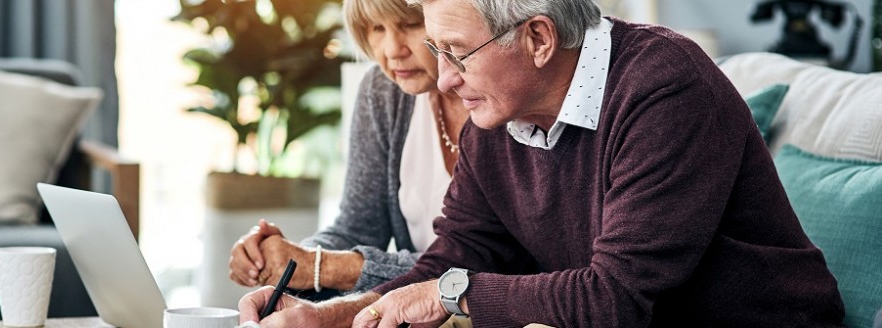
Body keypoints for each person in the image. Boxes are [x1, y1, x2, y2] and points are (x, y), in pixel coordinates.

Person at [237, 0, 846, 327]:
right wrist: (334, 318)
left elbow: (617, 299)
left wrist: (453, 296)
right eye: (437, 51)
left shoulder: (665, 87)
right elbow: (453, 259)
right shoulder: (499, 111)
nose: (444, 78)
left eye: (457, 54)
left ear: (537, 39)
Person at [227, 0, 469, 297]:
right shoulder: (383, 91)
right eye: (377, 27)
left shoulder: (500, 98)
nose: (393, 50)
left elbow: (486, 266)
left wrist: (321, 267)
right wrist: (285, 260)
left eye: (411, 24)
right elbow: (358, 228)